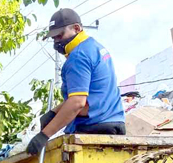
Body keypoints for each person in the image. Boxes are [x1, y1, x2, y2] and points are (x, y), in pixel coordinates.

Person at [26, 8, 125, 155]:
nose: (57, 42)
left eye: (59, 36)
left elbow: (77, 103)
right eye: (54, 38)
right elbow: (93, 94)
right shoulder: (96, 48)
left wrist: (44, 135)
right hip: (116, 124)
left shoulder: (78, 56)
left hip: (93, 129)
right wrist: (53, 112)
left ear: (77, 28)